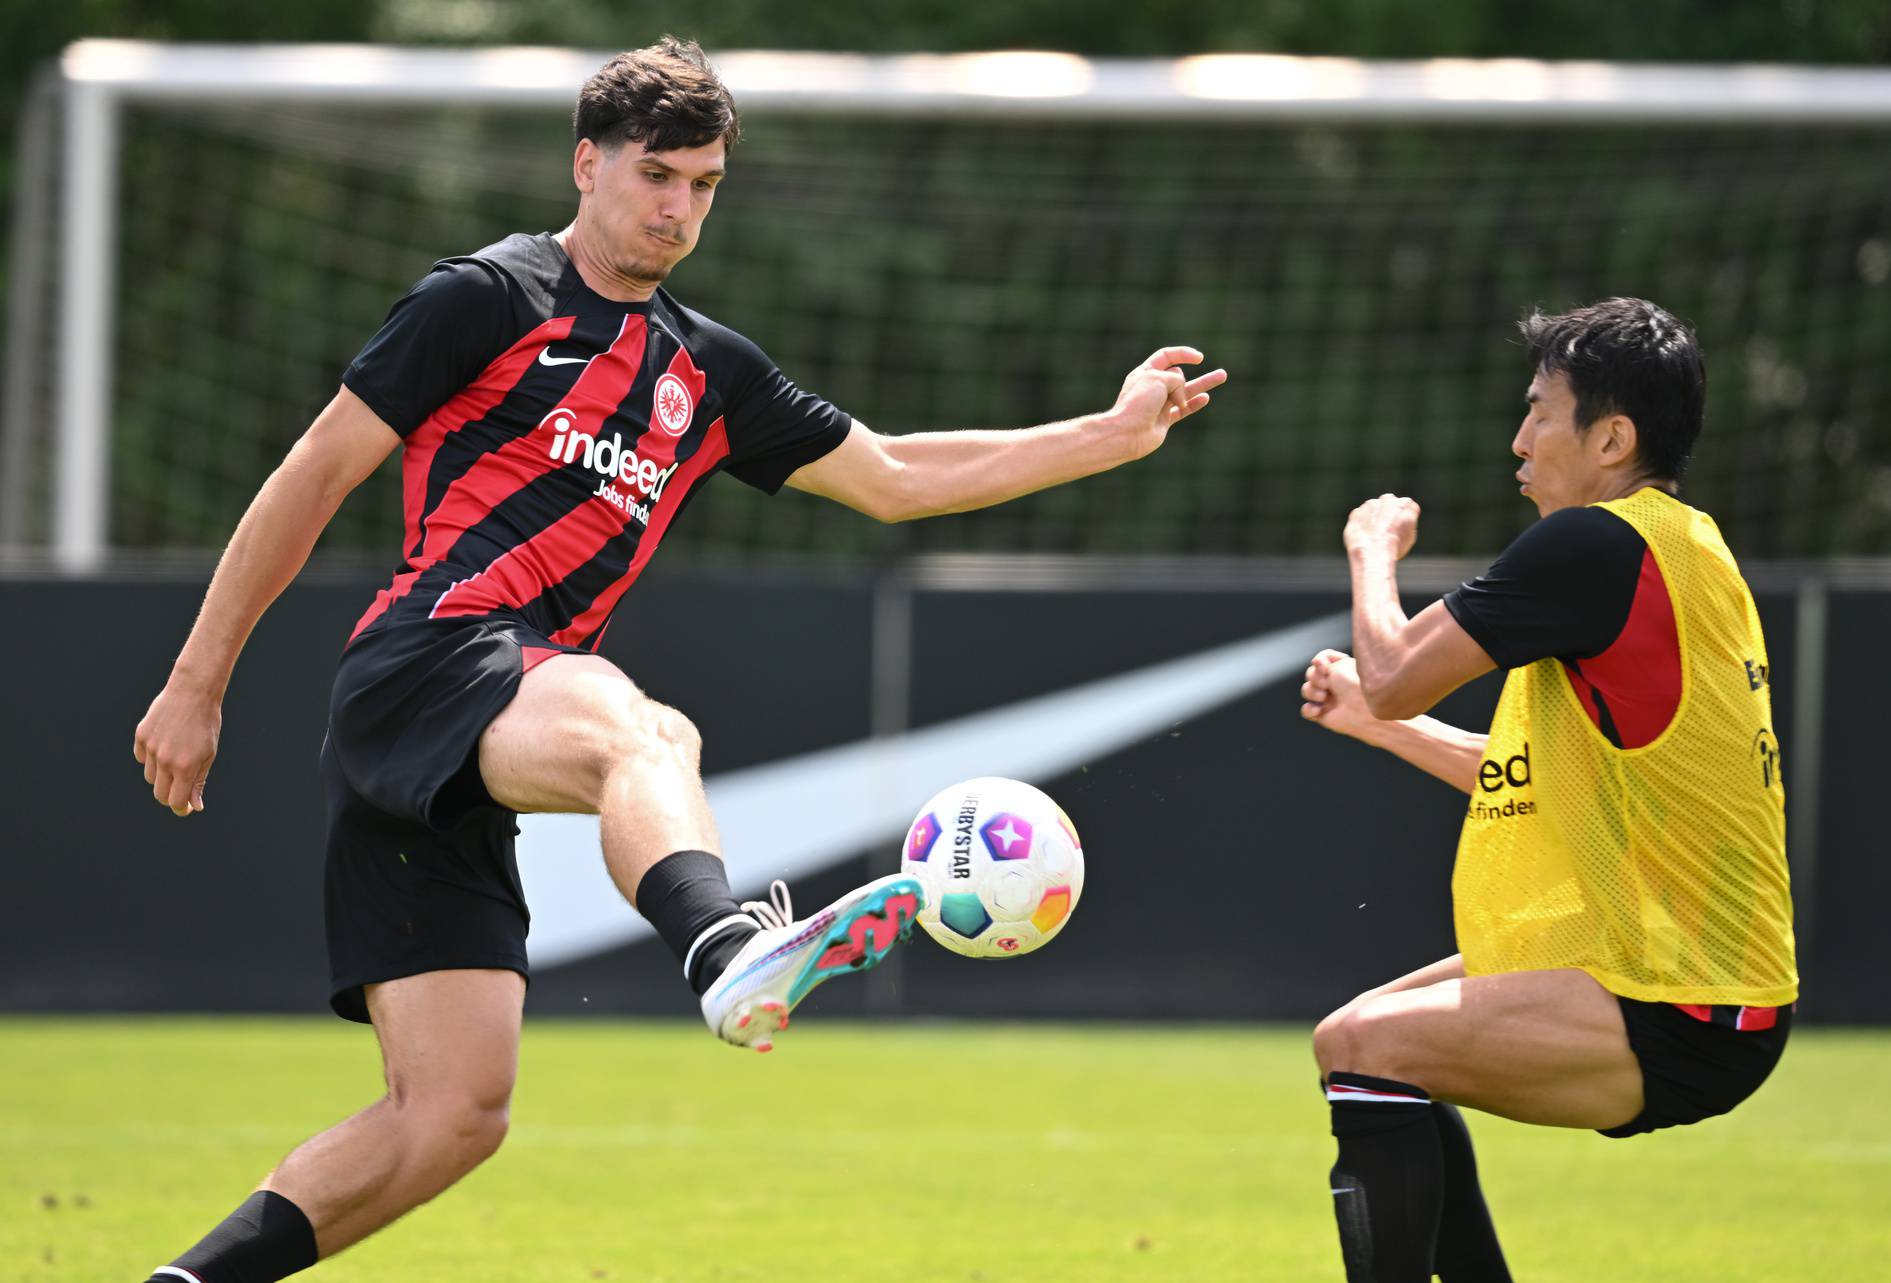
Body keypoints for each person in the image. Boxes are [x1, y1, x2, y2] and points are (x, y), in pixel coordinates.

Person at [131, 37, 1226, 1283]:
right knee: (646, 732)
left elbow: (899, 475)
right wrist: (195, 676)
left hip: (486, 725)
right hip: (430, 658)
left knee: (451, 1115)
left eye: (704, 185)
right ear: (587, 163)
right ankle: (723, 950)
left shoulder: (709, 371)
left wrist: (1109, 431)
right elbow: (313, 472)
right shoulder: (486, 297)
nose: (679, 207)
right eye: (658, 175)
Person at [1298, 297, 1796, 1282]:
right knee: (1354, 1041)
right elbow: (1544, 780)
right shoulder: (1687, 548)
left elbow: (1394, 666)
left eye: (1539, 410)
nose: (1519, 439)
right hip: (1697, 977)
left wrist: (1370, 551)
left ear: (1612, 436)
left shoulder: (1593, 548)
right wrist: (1375, 723)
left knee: (1366, 1045)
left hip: (1682, 996)